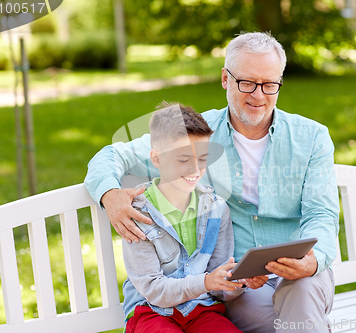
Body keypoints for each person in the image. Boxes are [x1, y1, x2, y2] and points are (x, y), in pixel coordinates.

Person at [85, 32, 340, 333]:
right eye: (247, 82)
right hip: (239, 285)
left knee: (301, 293)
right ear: (225, 79)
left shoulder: (311, 138)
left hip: (302, 274)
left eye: (270, 85)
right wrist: (110, 194)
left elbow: (321, 214)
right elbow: (113, 155)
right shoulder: (195, 137)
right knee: (293, 325)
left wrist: (314, 261)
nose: (258, 96)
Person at [122, 102, 266, 333]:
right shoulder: (136, 214)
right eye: (183, 160)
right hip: (151, 312)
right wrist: (206, 282)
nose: (195, 170)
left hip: (201, 309)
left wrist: (239, 281)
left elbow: (219, 287)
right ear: (156, 159)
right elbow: (153, 289)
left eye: (202, 158)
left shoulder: (217, 210)